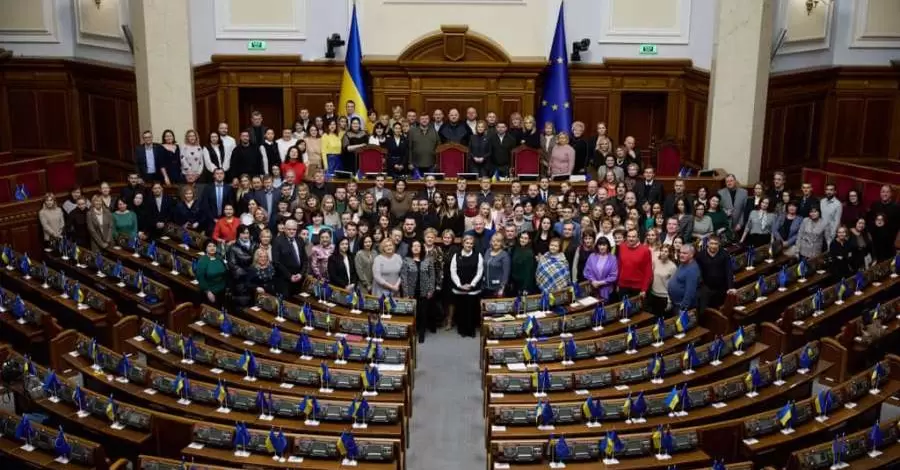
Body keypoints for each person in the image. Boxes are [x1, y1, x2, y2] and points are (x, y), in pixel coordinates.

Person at [401, 240, 437, 342]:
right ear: (410, 248)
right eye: (414, 246)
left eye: (418, 246)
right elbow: (403, 277)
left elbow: (432, 276)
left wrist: (431, 290)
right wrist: (406, 292)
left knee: (423, 313)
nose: (416, 248)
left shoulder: (428, 259)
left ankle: (422, 333)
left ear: (421, 248)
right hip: (411, 292)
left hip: (424, 291)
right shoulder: (406, 260)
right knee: (412, 313)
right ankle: (413, 332)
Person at [450, 234, 484, 337]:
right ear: (463, 243)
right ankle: (462, 331)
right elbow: (453, 271)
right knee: (461, 310)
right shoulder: (456, 255)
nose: (469, 245)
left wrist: (472, 284)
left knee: (471, 310)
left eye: (471, 243)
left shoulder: (478, 255)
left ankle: (471, 331)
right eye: (467, 243)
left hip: (473, 289)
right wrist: (459, 285)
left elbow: (480, 271)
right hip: (459, 288)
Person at [694, 235, 734, 312]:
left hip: (721, 288)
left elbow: (729, 271)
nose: (713, 246)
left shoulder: (725, 254)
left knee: (720, 309)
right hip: (706, 288)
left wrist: (730, 287)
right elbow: (698, 272)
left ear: (719, 244)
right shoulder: (701, 255)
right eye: (711, 243)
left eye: (716, 243)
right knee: (706, 310)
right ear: (707, 244)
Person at [272, 220, 308, 295]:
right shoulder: (277, 241)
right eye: (289, 229)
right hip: (284, 281)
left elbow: (305, 260)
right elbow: (276, 262)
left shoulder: (300, 240)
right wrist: (289, 276)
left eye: (294, 229)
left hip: (299, 280)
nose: (292, 231)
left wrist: (301, 274)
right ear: (284, 229)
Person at [616, 229, 652, 299]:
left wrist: (644, 289)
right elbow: (619, 266)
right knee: (623, 308)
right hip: (623, 285)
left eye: (633, 237)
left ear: (638, 237)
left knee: (635, 309)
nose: (631, 239)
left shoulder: (645, 250)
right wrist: (618, 283)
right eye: (629, 236)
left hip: (637, 287)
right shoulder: (622, 247)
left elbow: (648, 272)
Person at [228, 226, 256, 307]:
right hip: (241, 283)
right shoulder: (233, 248)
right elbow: (234, 267)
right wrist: (250, 273)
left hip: (255, 282)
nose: (245, 235)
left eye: (247, 233)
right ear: (239, 234)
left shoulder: (255, 244)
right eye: (243, 233)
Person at [584, 237, 618, 303]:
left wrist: (600, 283)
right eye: (600, 245)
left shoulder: (613, 258)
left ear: (608, 246)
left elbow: (613, 276)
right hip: (593, 289)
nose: (602, 247)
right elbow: (587, 271)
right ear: (597, 246)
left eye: (604, 245)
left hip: (607, 290)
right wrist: (593, 281)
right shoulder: (592, 256)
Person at [667, 244, 701, 311]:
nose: (681, 255)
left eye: (685, 253)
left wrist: (683, 308)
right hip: (675, 303)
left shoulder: (692, 270)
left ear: (692, 255)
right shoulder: (684, 263)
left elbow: (690, 292)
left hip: (682, 307)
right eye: (680, 252)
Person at [196, 241, 228, 307]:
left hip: (222, 291)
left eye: (214, 246)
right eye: (209, 246)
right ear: (205, 248)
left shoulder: (219, 258)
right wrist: (208, 292)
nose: (212, 248)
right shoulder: (203, 261)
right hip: (210, 292)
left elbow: (225, 272)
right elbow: (200, 278)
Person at [649, 244, 676, 317]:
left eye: (666, 251)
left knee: (661, 320)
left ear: (670, 253)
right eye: (661, 251)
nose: (663, 253)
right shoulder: (655, 261)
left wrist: (669, 301)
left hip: (664, 297)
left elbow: (673, 286)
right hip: (653, 295)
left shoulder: (672, 267)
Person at [482, 233, 511, 297]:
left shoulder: (504, 255)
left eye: (498, 241)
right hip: (486, 286)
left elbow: (506, 274)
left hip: (497, 288)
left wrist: (502, 288)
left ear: (502, 243)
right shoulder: (488, 251)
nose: (495, 243)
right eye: (493, 241)